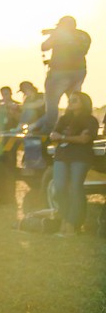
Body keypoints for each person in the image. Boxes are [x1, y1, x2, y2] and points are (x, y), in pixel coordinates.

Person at [49, 91, 98, 235]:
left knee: (76, 188)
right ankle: (64, 219)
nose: (70, 102)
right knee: (59, 188)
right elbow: (53, 136)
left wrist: (63, 137)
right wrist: (71, 137)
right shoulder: (64, 119)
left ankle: (72, 224)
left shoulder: (90, 120)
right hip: (61, 156)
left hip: (80, 157)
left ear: (84, 102)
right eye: (69, 100)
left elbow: (84, 140)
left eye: (74, 100)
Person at [39, 16, 92, 133]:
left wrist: (54, 33)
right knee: (75, 102)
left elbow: (44, 47)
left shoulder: (59, 34)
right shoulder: (84, 35)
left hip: (59, 72)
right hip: (79, 72)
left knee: (52, 103)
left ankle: (48, 131)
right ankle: (76, 128)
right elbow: (77, 51)